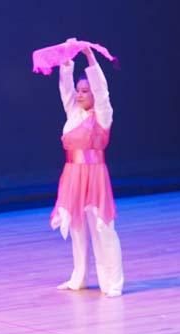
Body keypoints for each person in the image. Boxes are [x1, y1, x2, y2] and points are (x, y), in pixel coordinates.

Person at [50, 46, 124, 297]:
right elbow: (65, 89)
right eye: (79, 92)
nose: (79, 95)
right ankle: (78, 277)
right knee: (77, 227)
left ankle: (111, 282)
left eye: (85, 91)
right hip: (72, 174)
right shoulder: (73, 113)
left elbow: (102, 91)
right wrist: (67, 58)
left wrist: (90, 57)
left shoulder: (103, 115)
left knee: (102, 227)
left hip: (95, 176)